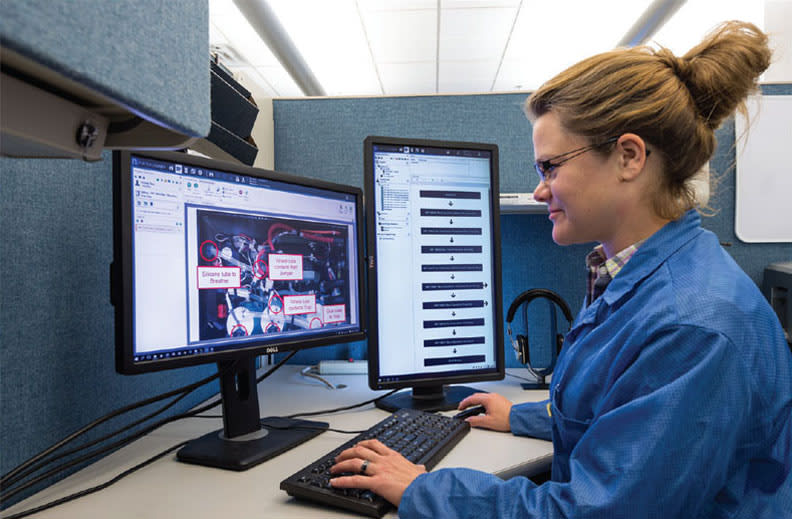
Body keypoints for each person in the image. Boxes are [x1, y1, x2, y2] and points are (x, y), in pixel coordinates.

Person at [330, 20, 792, 518]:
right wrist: (524, 416)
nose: (539, 190)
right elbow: (623, 410)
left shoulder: (692, 325)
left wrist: (424, 489)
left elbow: (591, 514)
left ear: (629, 157)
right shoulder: (643, 275)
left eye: (551, 167)